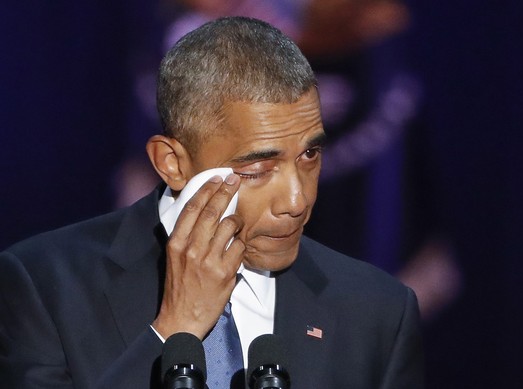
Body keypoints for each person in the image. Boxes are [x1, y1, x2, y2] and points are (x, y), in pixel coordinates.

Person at [0, 17, 423, 388]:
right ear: (173, 163)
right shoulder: (43, 286)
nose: (297, 200)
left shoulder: (378, 311)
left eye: (310, 155)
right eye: (257, 167)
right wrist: (174, 332)